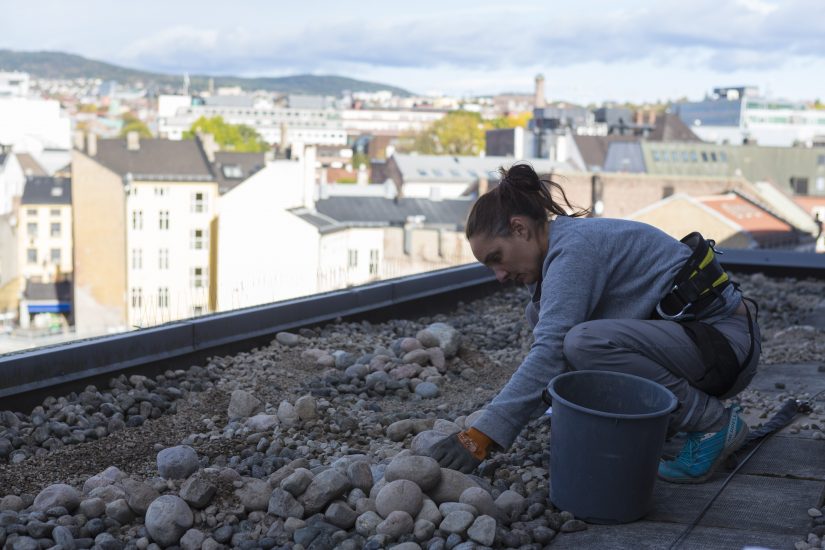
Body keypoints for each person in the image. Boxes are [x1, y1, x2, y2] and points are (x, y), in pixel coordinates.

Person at [428, 163, 761, 484]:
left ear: (519, 228)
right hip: (697, 346)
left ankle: (712, 424)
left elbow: (552, 352)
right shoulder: (559, 254)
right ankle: (658, 422)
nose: (499, 276)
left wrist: (481, 436)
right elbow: (553, 363)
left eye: (496, 258)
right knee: (546, 320)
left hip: (723, 348)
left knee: (584, 342)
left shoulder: (574, 251)